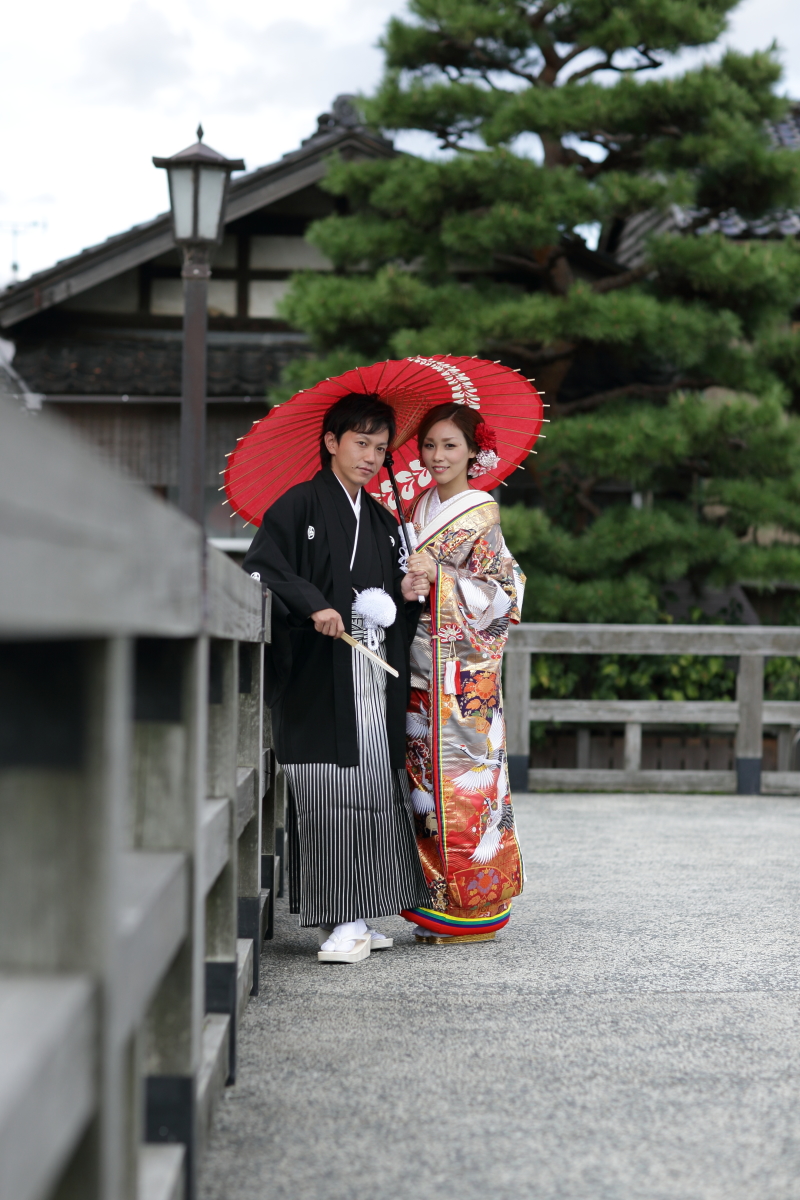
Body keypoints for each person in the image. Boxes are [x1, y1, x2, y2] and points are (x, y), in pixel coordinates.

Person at [243, 393, 431, 963]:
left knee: (373, 790)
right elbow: (263, 568)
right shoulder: (298, 505)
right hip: (319, 673)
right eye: (360, 442)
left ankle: (359, 914)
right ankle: (343, 920)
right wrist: (312, 604)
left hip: (372, 673)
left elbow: (396, 606)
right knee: (327, 790)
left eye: (380, 447)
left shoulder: (383, 521)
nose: (371, 457)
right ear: (331, 442)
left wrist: (407, 594)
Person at [402, 401, 526, 943]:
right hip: (415, 666)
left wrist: (442, 580)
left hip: (463, 679)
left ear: (474, 451)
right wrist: (410, 582)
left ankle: (474, 904)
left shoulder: (481, 515)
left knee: (467, 786)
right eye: (429, 445)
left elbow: (504, 595)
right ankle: (431, 895)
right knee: (422, 787)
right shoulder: (417, 508)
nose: (437, 455)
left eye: (450, 445)